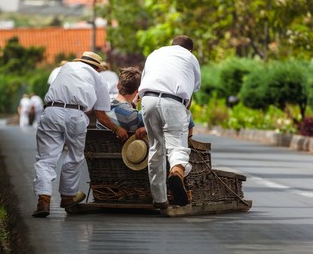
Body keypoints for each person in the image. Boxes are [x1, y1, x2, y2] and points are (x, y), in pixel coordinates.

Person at [32, 51, 129, 218]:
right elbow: (101, 115)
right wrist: (117, 129)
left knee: (46, 158)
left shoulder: (66, 67)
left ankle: (43, 199)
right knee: (75, 156)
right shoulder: (98, 78)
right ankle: (68, 198)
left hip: (51, 111)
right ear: (97, 68)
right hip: (75, 116)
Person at [138, 35, 201, 211]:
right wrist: (185, 111)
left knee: (156, 148)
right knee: (177, 147)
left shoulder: (155, 53)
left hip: (148, 99)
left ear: (172, 45)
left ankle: (159, 199)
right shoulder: (189, 57)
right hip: (173, 101)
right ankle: (176, 173)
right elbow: (192, 89)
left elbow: (144, 79)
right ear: (190, 49)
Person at [96, 67, 146, 138]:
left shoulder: (102, 111)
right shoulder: (133, 116)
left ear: (118, 86)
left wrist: (132, 104)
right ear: (137, 90)